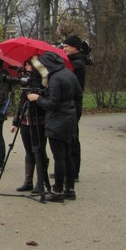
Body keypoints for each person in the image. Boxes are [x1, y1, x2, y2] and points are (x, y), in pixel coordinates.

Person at [26, 51, 83, 201]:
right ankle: (69, 189)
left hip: (57, 121)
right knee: (67, 155)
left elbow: (52, 103)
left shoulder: (54, 78)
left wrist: (37, 98)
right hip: (70, 118)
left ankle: (57, 191)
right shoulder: (69, 74)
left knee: (59, 157)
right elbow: (79, 96)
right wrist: (75, 115)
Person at [9, 58, 49, 193]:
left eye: (29, 64)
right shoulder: (25, 82)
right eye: (25, 64)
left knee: (39, 150)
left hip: (39, 120)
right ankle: (28, 181)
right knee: (29, 151)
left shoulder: (44, 81)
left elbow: (47, 99)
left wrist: (36, 95)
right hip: (25, 120)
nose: (26, 67)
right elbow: (21, 103)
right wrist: (15, 122)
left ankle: (41, 181)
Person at [61, 35, 89, 181]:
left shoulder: (77, 64)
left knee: (72, 138)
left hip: (73, 104)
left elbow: (69, 84)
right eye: (63, 46)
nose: (64, 49)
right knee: (66, 137)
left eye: (67, 46)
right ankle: (66, 169)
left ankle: (73, 171)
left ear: (76, 48)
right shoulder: (71, 62)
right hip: (69, 104)